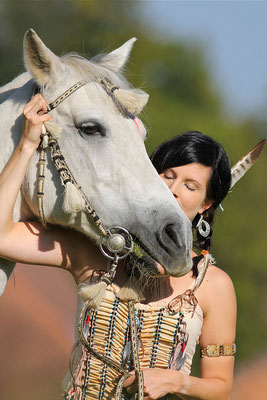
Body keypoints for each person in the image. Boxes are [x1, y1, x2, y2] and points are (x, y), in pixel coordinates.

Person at [0, 94, 237, 400]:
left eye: (190, 186)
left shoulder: (214, 285)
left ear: (206, 204)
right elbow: (3, 236)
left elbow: (221, 386)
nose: (173, 191)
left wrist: (176, 381)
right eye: (166, 176)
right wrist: (26, 146)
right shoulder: (95, 251)